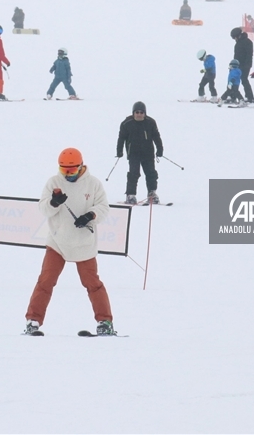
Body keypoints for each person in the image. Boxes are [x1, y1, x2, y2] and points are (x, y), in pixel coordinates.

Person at [24, 148, 114, 336]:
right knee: (45, 281)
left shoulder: (94, 184)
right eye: (64, 171)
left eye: (72, 171)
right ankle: (33, 321)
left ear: (81, 167)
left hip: (84, 244)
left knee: (93, 284)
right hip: (57, 242)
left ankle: (105, 322)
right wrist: (54, 203)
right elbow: (43, 209)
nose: (67, 176)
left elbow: (104, 207)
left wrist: (91, 215)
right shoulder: (53, 183)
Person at [116, 101, 163, 204]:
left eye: (141, 112)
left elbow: (156, 136)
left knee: (151, 173)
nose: (139, 114)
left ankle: (152, 193)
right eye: (137, 112)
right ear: (133, 113)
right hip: (133, 154)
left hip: (148, 153)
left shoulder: (150, 122)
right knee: (133, 174)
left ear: (145, 113)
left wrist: (160, 149)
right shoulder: (126, 124)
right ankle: (131, 195)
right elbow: (121, 138)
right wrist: (119, 151)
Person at [231, 28, 254, 101]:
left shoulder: (247, 42)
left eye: (235, 37)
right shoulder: (238, 42)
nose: (234, 39)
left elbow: (249, 55)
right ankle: (233, 96)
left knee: (244, 80)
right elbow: (236, 55)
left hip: (245, 65)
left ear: (238, 35)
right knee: (234, 79)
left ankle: (249, 97)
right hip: (237, 65)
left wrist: (246, 65)